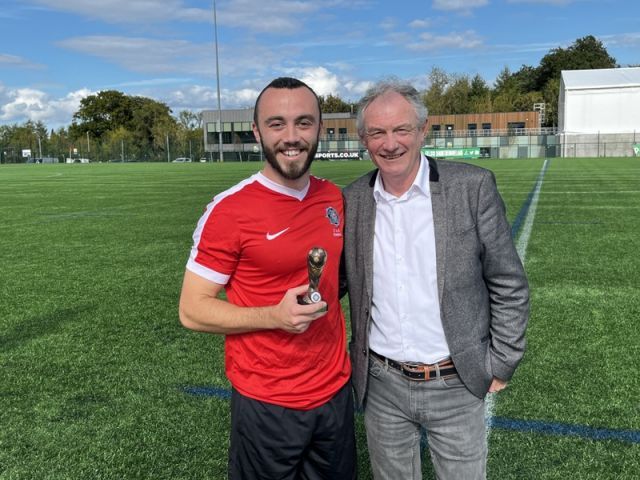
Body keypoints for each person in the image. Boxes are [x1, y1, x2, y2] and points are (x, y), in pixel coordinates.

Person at [342, 79, 529, 479]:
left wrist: (502, 361)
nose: (390, 143)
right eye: (377, 132)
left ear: (423, 130)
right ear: (363, 139)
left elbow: (507, 281)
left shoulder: (471, 187)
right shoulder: (353, 199)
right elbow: (337, 281)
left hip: (456, 381)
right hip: (381, 384)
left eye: (401, 129)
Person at [179, 77, 356, 480]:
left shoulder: (333, 198)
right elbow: (192, 311)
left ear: (320, 130)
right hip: (267, 401)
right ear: (257, 131)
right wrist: (273, 317)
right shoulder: (229, 210)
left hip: (333, 392)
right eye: (277, 124)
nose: (291, 137)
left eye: (304, 123)